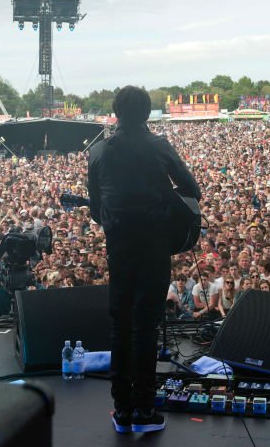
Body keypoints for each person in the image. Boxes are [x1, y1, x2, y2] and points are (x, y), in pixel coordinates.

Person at [87, 86, 201, 434]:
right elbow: (191, 189)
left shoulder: (99, 151)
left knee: (119, 325)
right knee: (146, 326)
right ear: (147, 113)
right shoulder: (158, 146)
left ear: (115, 113)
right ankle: (144, 410)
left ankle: (121, 411)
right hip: (154, 245)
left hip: (119, 247)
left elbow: (95, 211)